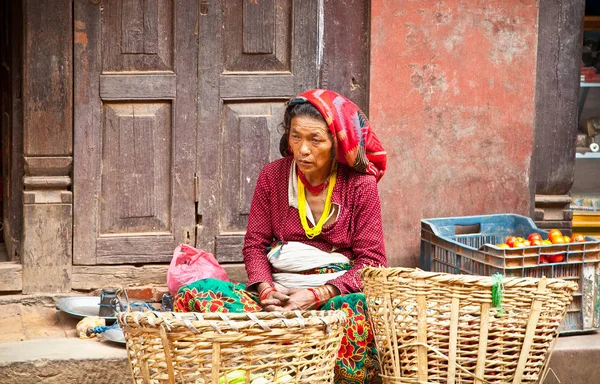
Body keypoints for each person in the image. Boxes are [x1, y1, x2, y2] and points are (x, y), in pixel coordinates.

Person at [174, 89, 387, 384]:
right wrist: (265, 291)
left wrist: (317, 295)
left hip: (330, 304)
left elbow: (372, 263)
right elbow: (255, 245)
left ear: (336, 145)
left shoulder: (360, 185)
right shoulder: (272, 176)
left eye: (316, 140)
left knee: (359, 309)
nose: (302, 150)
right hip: (278, 297)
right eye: (296, 136)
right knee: (194, 294)